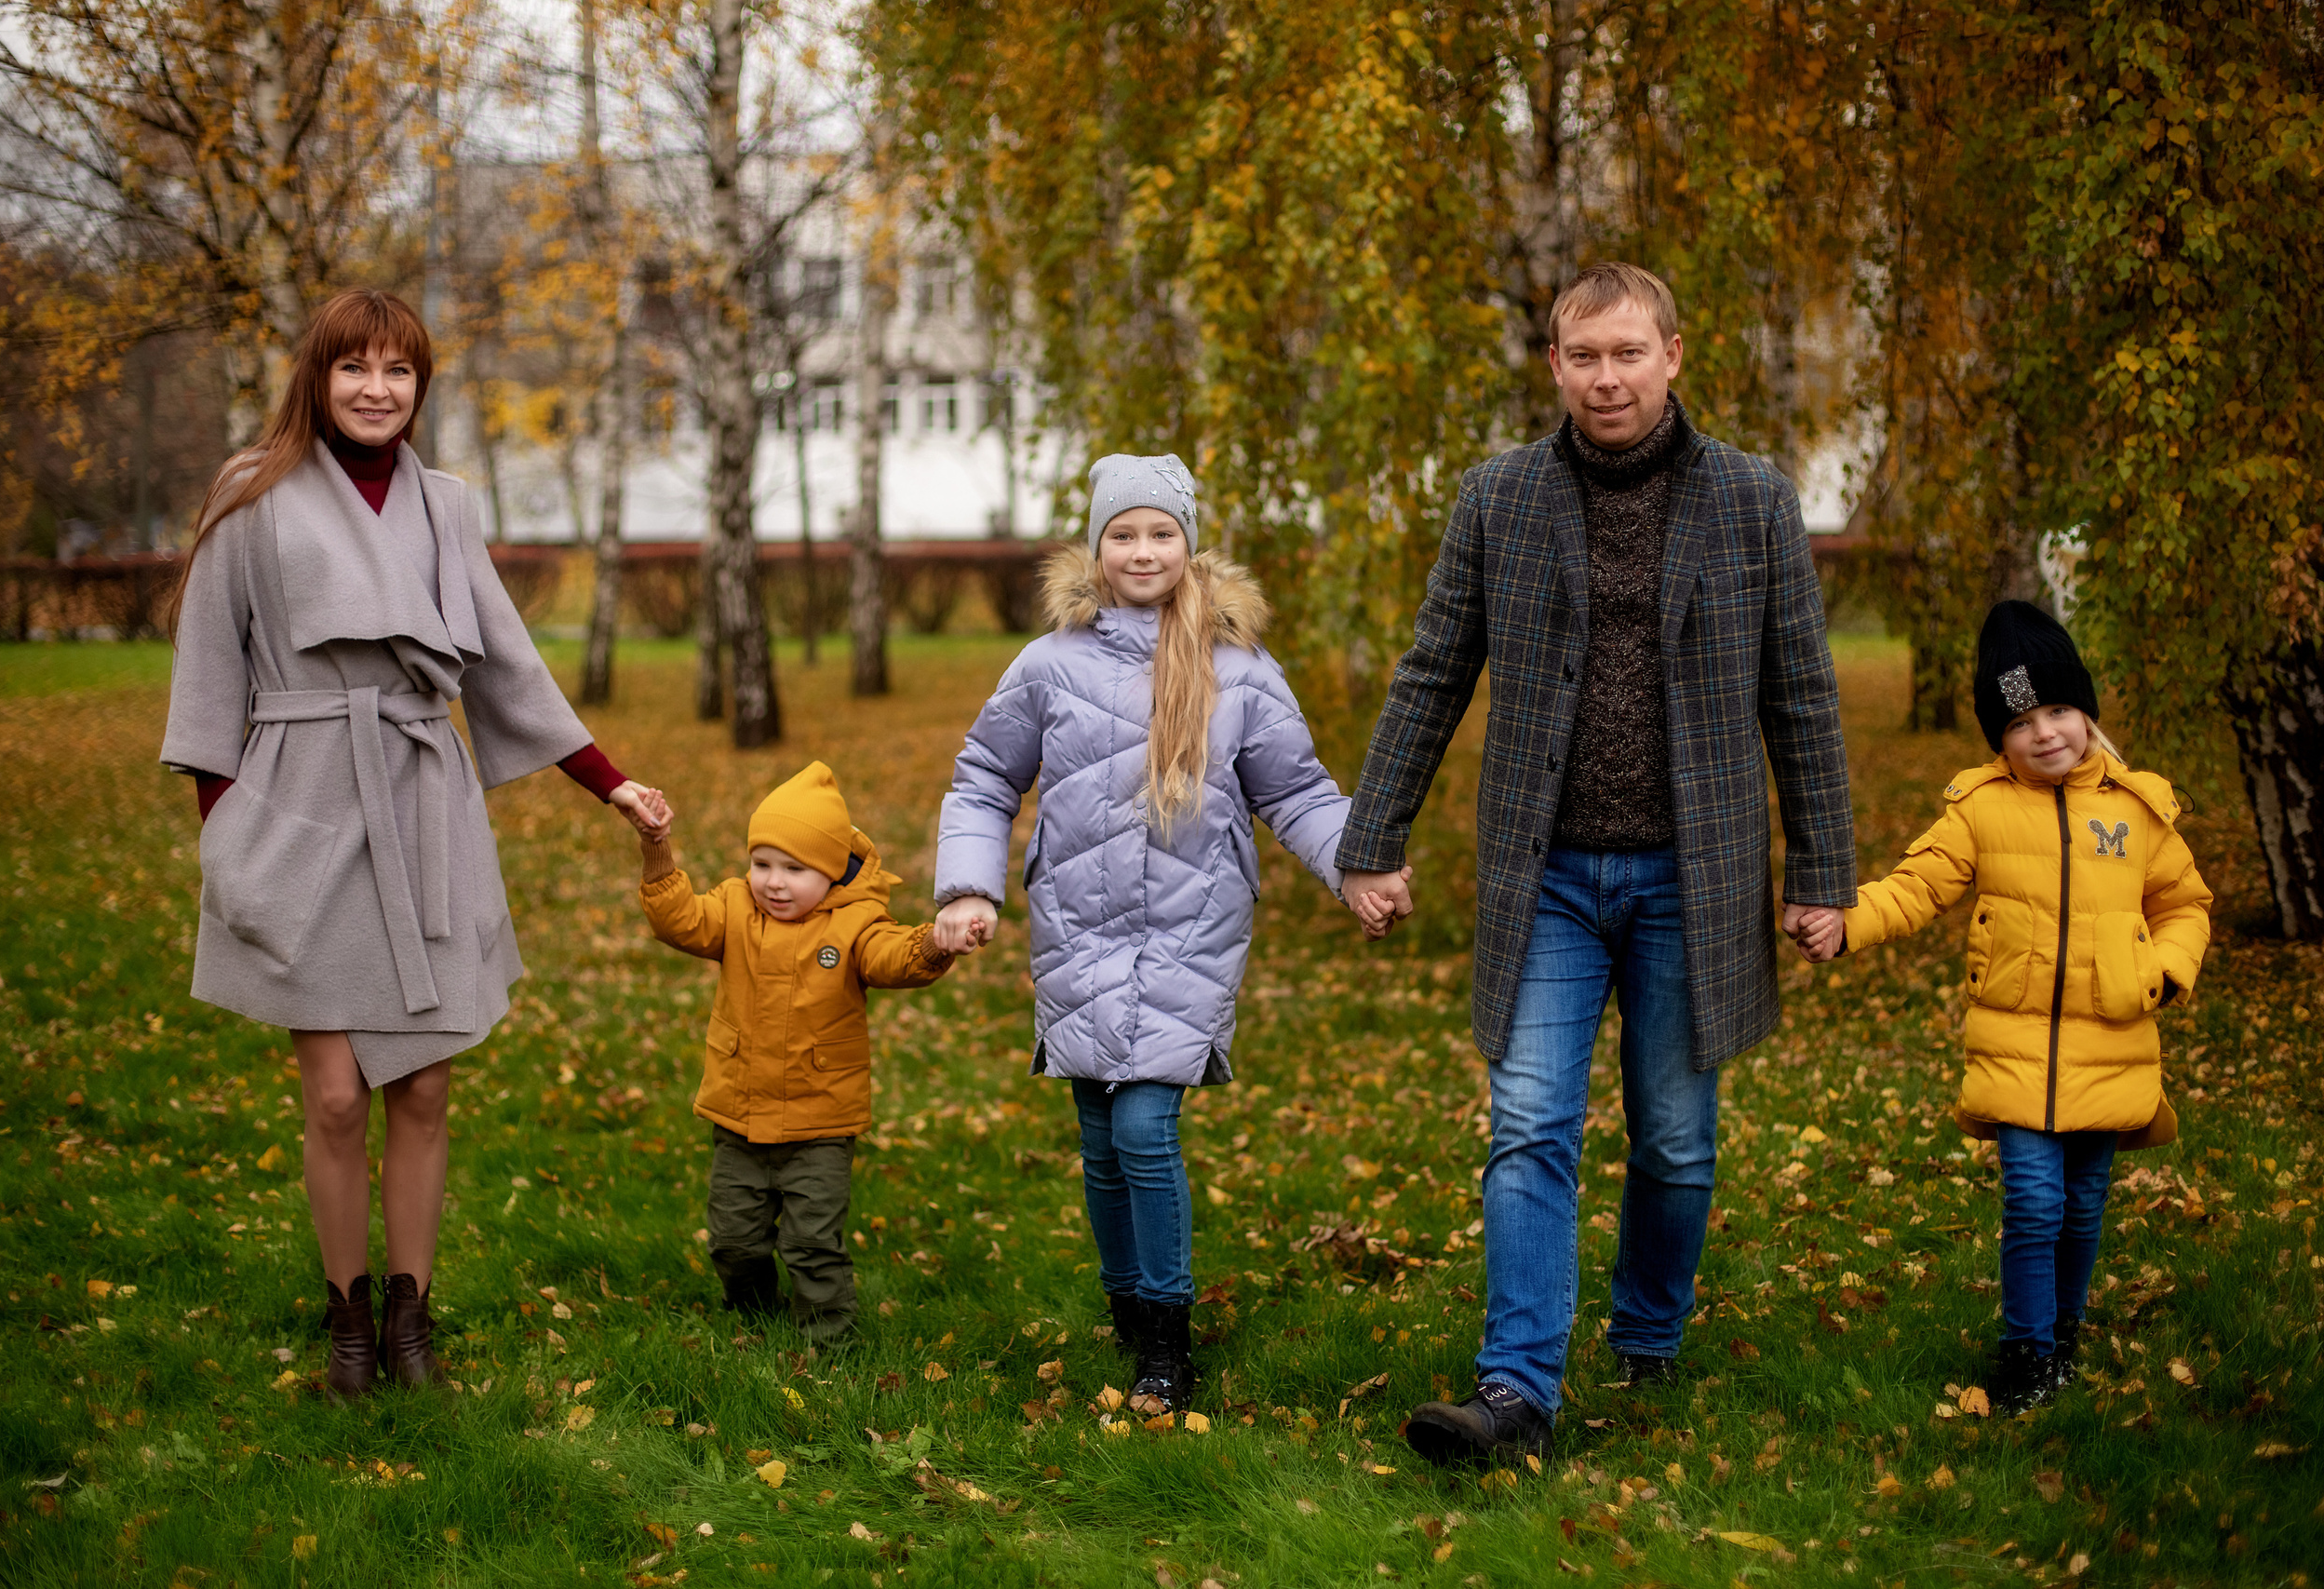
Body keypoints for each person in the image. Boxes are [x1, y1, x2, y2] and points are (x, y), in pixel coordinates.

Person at [1338, 263, 1858, 1467]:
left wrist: (1822, 868)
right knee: (1527, 1121)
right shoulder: (1499, 498)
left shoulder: (1753, 501)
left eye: (1628, 353)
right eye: (1584, 356)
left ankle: (1649, 1328)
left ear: (1676, 354)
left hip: (1700, 874)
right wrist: (1374, 837)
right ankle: (1516, 1391)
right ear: (1556, 366)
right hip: (1548, 876)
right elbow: (1433, 670)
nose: (1606, 378)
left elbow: (1804, 695)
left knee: (1675, 1138)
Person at [160, 289, 670, 1399]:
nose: (377, 389)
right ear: (318, 378)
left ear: (419, 388)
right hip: (300, 809)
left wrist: (610, 782)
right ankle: (344, 1317)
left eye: (398, 371)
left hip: (422, 801)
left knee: (425, 1092)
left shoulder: (447, 506)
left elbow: (502, 660)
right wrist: (231, 836)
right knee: (336, 1095)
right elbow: (209, 677)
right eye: (355, 369)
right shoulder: (253, 496)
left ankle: (410, 1319)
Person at [930, 454, 1364, 1416]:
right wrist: (969, 886)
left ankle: (1165, 1338)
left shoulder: (1239, 669)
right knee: (1098, 1134)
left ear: (1188, 543)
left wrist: (1355, 868)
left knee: (1142, 1127)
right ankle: (1126, 1307)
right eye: (1122, 534)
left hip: (1188, 928)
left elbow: (1293, 789)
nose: (1141, 550)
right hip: (1078, 927)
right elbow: (983, 778)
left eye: (1159, 533)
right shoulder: (1048, 665)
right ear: (1095, 548)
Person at [1792, 601, 2210, 1409]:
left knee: (2083, 1205)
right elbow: (1918, 886)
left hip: (2113, 1045)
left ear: (2086, 711)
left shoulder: (2136, 810)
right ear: (1998, 736)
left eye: (2058, 710)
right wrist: (1846, 923)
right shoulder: (1981, 810)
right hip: (2016, 1052)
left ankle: (2064, 1332)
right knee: (2034, 1201)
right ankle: (2025, 1351)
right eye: (2021, 721)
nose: (2045, 732)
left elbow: (2185, 903)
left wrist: (2160, 970)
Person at [637, 761, 956, 1343]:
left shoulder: (855, 924)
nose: (774, 882)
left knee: (812, 1242)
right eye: (762, 864)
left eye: (794, 869)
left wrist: (933, 943)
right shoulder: (734, 910)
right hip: (739, 1116)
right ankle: (754, 1315)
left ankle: (830, 1342)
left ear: (831, 874)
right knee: (733, 1240)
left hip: (820, 1123)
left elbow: (892, 958)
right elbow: (677, 920)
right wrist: (658, 850)